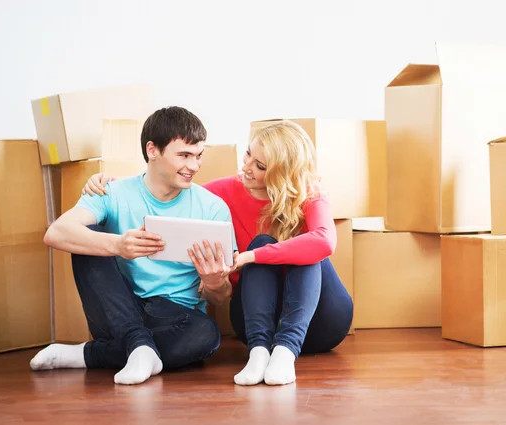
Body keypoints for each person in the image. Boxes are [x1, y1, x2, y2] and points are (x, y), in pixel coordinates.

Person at [84, 120, 354, 386]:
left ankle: (285, 351)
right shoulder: (223, 192)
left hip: (322, 322)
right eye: (248, 154)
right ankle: (259, 354)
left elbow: (324, 242)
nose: (246, 167)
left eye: (259, 166)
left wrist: (249, 257)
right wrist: (114, 185)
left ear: (282, 174)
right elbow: (169, 189)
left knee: (299, 247)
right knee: (262, 242)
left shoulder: (310, 194)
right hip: (259, 323)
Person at [30, 106, 236, 386]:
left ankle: (92, 354)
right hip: (118, 311)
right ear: (153, 150)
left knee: (206, 336)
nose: (194, 166)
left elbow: (220, 298)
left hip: (175, 318)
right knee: (88, 236)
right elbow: (56, 233)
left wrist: (214, 283)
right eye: (184, 155)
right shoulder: (111, 192)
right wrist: (118, 244)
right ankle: (137, 345)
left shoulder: (213, 208)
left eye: (198, 156)